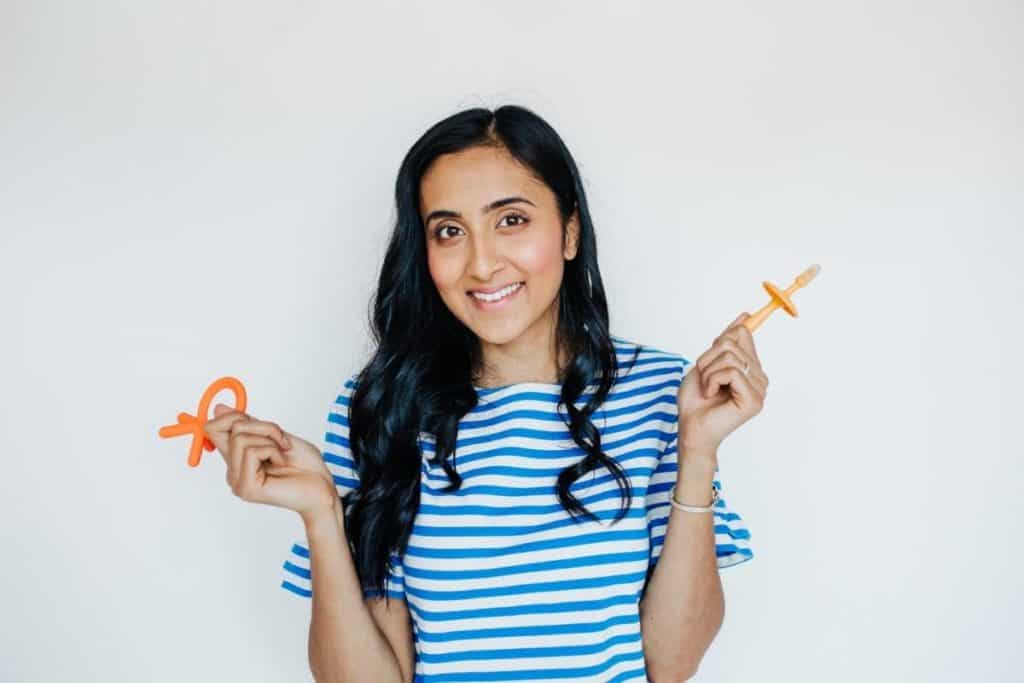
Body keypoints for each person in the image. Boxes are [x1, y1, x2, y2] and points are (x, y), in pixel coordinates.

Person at [204, 104, 766, 683]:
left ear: (570, 232)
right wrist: (321, 511)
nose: (481, 263)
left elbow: (670, 665)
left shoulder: (660, 394)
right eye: (449, 231)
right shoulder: (381, 407)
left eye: (511, 220)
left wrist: (698, 450)